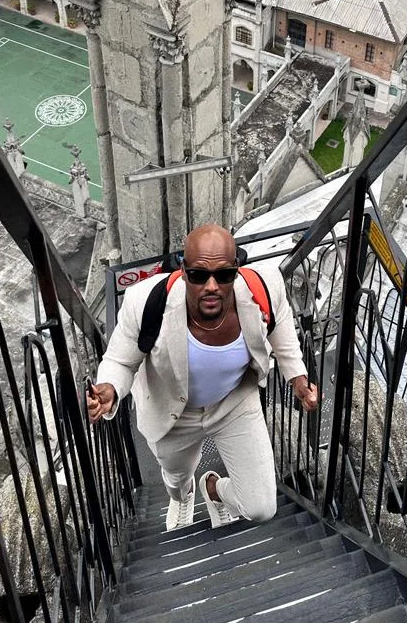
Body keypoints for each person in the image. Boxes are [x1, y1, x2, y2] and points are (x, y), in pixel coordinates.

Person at [87, 224, 318, 530]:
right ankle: (184, 497)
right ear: (183, 271)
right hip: (173, 413)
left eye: (223, 275)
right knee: (176, 479)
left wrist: (297, 378)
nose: (211, 286)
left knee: (261, 508)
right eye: (198, 275)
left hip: (234, 401)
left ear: (236, 270)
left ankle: (214, 490)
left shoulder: (265, 285)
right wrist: (110, 389)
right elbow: (120, 359)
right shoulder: (144, 301)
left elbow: (281, 326)